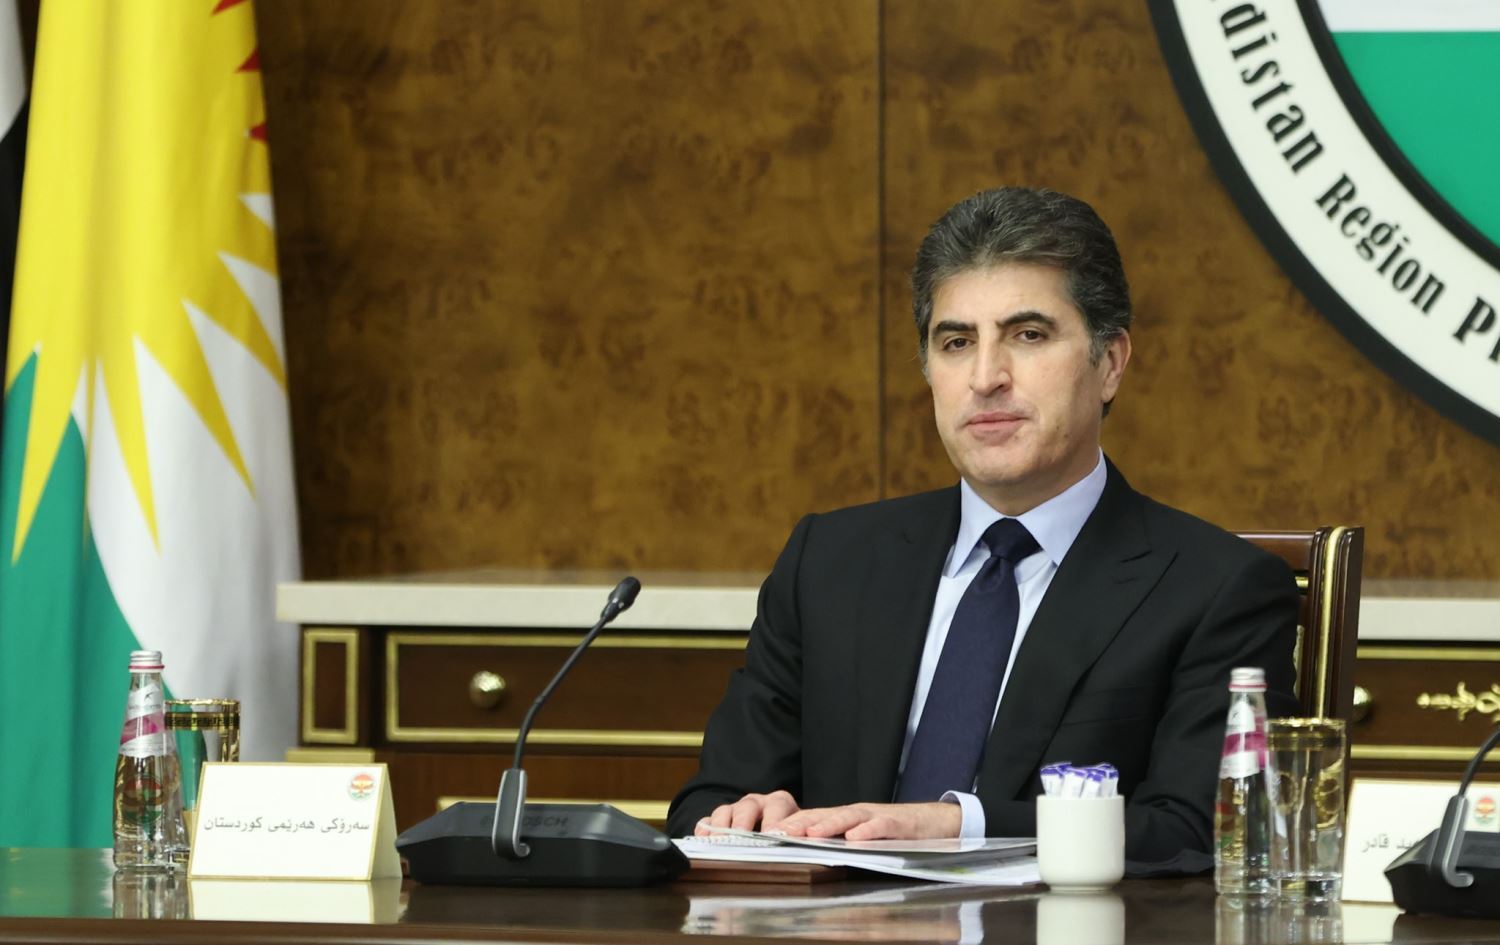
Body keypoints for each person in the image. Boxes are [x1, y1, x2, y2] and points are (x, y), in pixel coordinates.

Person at [665, 186, 1300, 862]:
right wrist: (741, 814)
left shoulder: (1216, 590)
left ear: (1110, 363)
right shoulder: (829, 561)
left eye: (1028, 335)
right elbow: (709, 799)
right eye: (956, 342)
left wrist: (959, 825)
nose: (986, 377)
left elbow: (1200, 831)